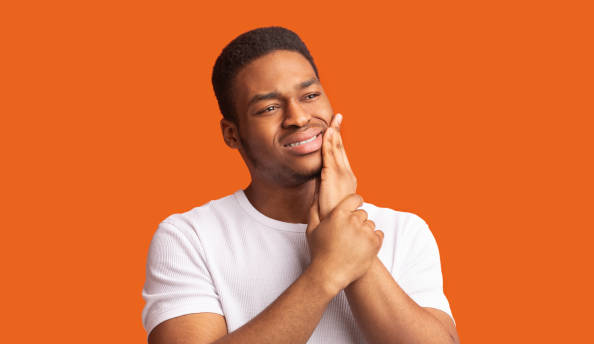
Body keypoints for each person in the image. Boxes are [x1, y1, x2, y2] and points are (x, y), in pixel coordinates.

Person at [142, 26, 459, 344]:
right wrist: (327, 272)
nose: (298, 117)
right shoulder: (189, 238)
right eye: (269, 108)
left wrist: (343, 224)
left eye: (310, 96)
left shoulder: (404, 230)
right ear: (232, 134)